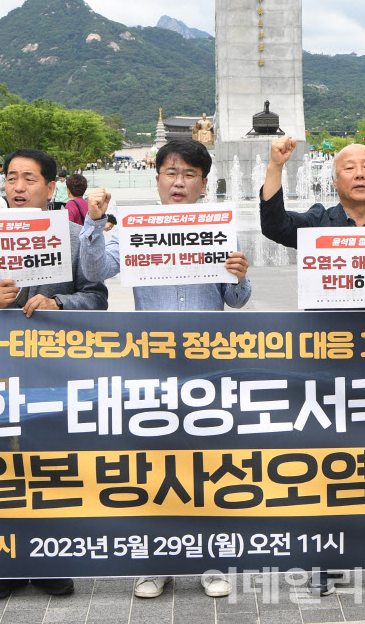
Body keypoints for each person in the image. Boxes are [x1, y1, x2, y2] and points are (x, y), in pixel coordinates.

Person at [260, 135, 365, 597]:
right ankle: (326, 558)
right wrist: (276, 166)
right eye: (349, 167)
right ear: (335, 179)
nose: (359, 173)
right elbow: (274, 225)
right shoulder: (319, 223)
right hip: (327, 363)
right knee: (329, 463)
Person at [80, 138, 251, 600]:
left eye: (189, 174)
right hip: (150, 364)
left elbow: (236, 299)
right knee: (154, 465)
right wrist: (93, 224)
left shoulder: (219, 228)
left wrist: (239, 274)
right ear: (156, 178)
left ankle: (211, 560)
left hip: (208, 366)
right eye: (171, 173)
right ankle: (156, 561)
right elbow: (96, 271)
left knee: (209, 464)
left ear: (204, 183)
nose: (179, 182)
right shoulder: (135, 227)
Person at [0, 148, 108, 601]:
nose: (18, 187)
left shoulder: (74, 237)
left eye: (29, 179)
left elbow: (97, 297)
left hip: (55, 373)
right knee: (0, 466)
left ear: (50, 187)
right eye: (12, 178)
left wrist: (59, 303)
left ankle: (50, 558)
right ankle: (7, 564)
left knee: (51, 465)